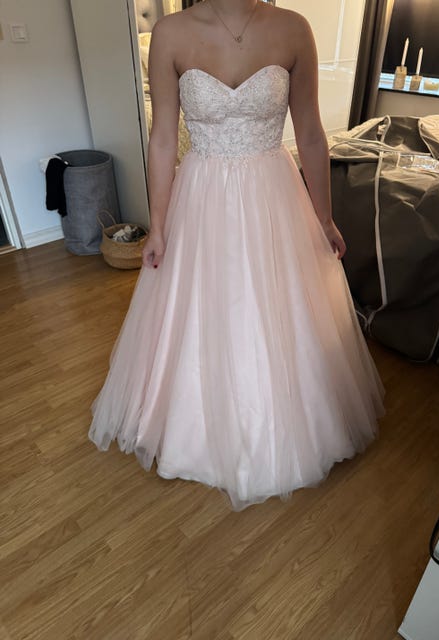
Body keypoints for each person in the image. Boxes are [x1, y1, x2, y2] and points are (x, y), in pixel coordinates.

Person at [89, 0, 385, 511]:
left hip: (274, 193)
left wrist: (324, 218)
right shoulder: (170, 33)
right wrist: (157, 224)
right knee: (204, 309)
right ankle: (197, 429)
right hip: (201, 195)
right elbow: (163, 140)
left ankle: (286, 425)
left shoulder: (293, 29)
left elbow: (311, 134)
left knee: (276, 309)